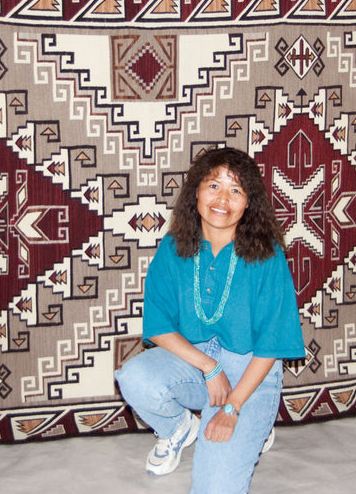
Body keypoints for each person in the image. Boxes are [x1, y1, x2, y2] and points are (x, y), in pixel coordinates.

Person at [115, 147, 303, 493]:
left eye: (236, 190)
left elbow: (272, 344)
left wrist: (231, 408)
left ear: (249, 203)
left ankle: (253, 422)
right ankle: (178, 428)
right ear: (196, 192)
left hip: (251, 372)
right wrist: (210, 367)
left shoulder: (268, 255)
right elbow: (158, 326)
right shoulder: (173, 247)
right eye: (213, 185)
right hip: (196, 363)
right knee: (134, 377)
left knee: (215, 489)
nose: (222, 199)